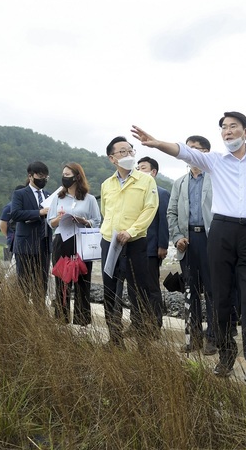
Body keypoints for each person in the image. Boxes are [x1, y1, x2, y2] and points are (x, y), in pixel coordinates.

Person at [131, 111, 246, 388]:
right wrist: (156, 143)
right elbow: (183, 152)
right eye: (224, 128)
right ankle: (225, 352)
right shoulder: (214, 161)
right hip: (220, 231)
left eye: (233, 126)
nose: (228, 131)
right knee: (219, 295)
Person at [99, 137, 159, 347]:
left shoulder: (146, 180)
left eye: (130, 150)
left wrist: (131, 231)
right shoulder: (107, 184)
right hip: (110, 242)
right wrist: (112, 232)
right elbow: (105, 212)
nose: (128, 155)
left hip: (135, 243)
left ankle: (143, 338)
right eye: (122, 152)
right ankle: (114, 338)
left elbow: (150, 208)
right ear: (112, 158)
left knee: (139, 291)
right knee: (110, 290)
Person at [167, 135, 217, 355]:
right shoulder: (179, 182)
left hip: (211, 240)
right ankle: (193, 337)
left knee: (213, 291)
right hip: (187, 242)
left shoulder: (217, 178)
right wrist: (177, 236)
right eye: (188, 150)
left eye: (195, 149)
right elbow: (172, 212)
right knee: (191, 291)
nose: (190, 154)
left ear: (205, 153)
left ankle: (214, 337)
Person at [47, 163, 101, 325]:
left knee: (83, 281)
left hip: (82, 242)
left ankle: (82, 321)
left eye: (68, 174)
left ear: (77, 176)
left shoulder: (90, 199)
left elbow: (97, 221)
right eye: (63, 174)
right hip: (62, 241)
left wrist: (85, 221)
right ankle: (61, 319)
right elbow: (51, 222)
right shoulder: (58, 197)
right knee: (62, 281)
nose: (65, 177)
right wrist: (59, 218)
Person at [10, 161, 52, 307]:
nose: (43, 179)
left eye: (46, 177)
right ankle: (22, 317)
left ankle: (40, 316)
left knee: (41, 285)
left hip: (44, 245)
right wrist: (39, 212)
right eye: (40, 176)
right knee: (24, 284)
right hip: (25, 246)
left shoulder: (48, 195)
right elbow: (15, 214)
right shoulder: (20, 194)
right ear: (30, 176)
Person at [137, 156, 170, 330]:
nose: (139, 171)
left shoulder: (162, 193)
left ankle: (155, 324)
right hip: (135, 246)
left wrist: (162, 245)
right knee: (136, 287)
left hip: (151, 247)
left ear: (153, 172)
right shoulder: (134, 192)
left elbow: (164, 221)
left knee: (152, 287)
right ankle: (138, 323)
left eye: (143, 168)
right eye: (138, 168)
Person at [0, 184, 26, 261]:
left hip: (26, 239)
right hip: (13, 239)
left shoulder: (27, 206)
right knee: (13, 262)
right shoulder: (9, 207)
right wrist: (7, 235)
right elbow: (2, 224)